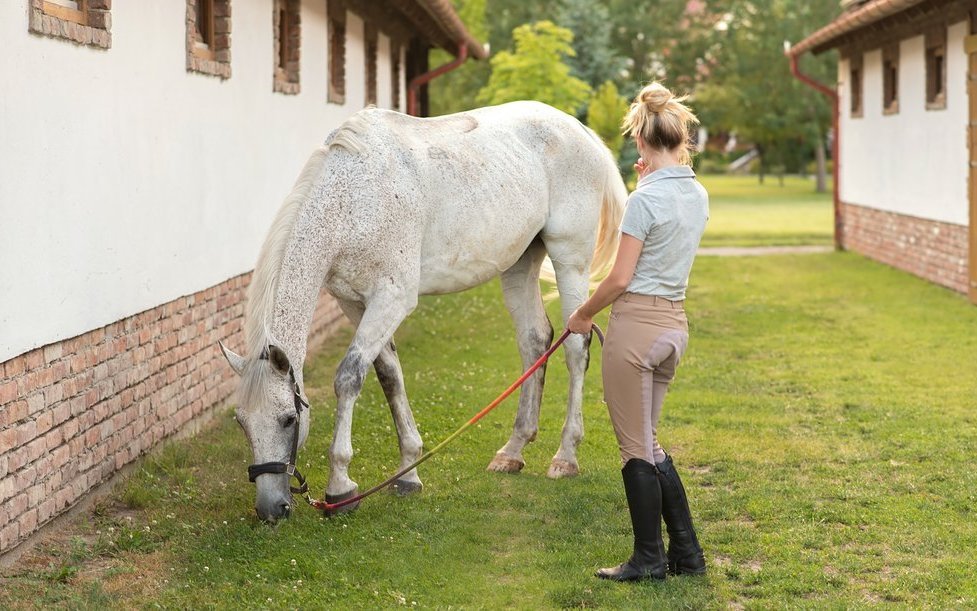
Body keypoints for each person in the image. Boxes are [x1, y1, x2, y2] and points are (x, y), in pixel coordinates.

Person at [567, 82, 708, 582]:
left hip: (636, 330)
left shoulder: (643, 200)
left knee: (634, 449)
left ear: (642, 143)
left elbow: (620, 278)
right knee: (649, 442)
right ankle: (687, 554)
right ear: (681, 139)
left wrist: (582, 314)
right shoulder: (698, 194)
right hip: (674, 327)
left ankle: (648, 558)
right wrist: (647, 183)